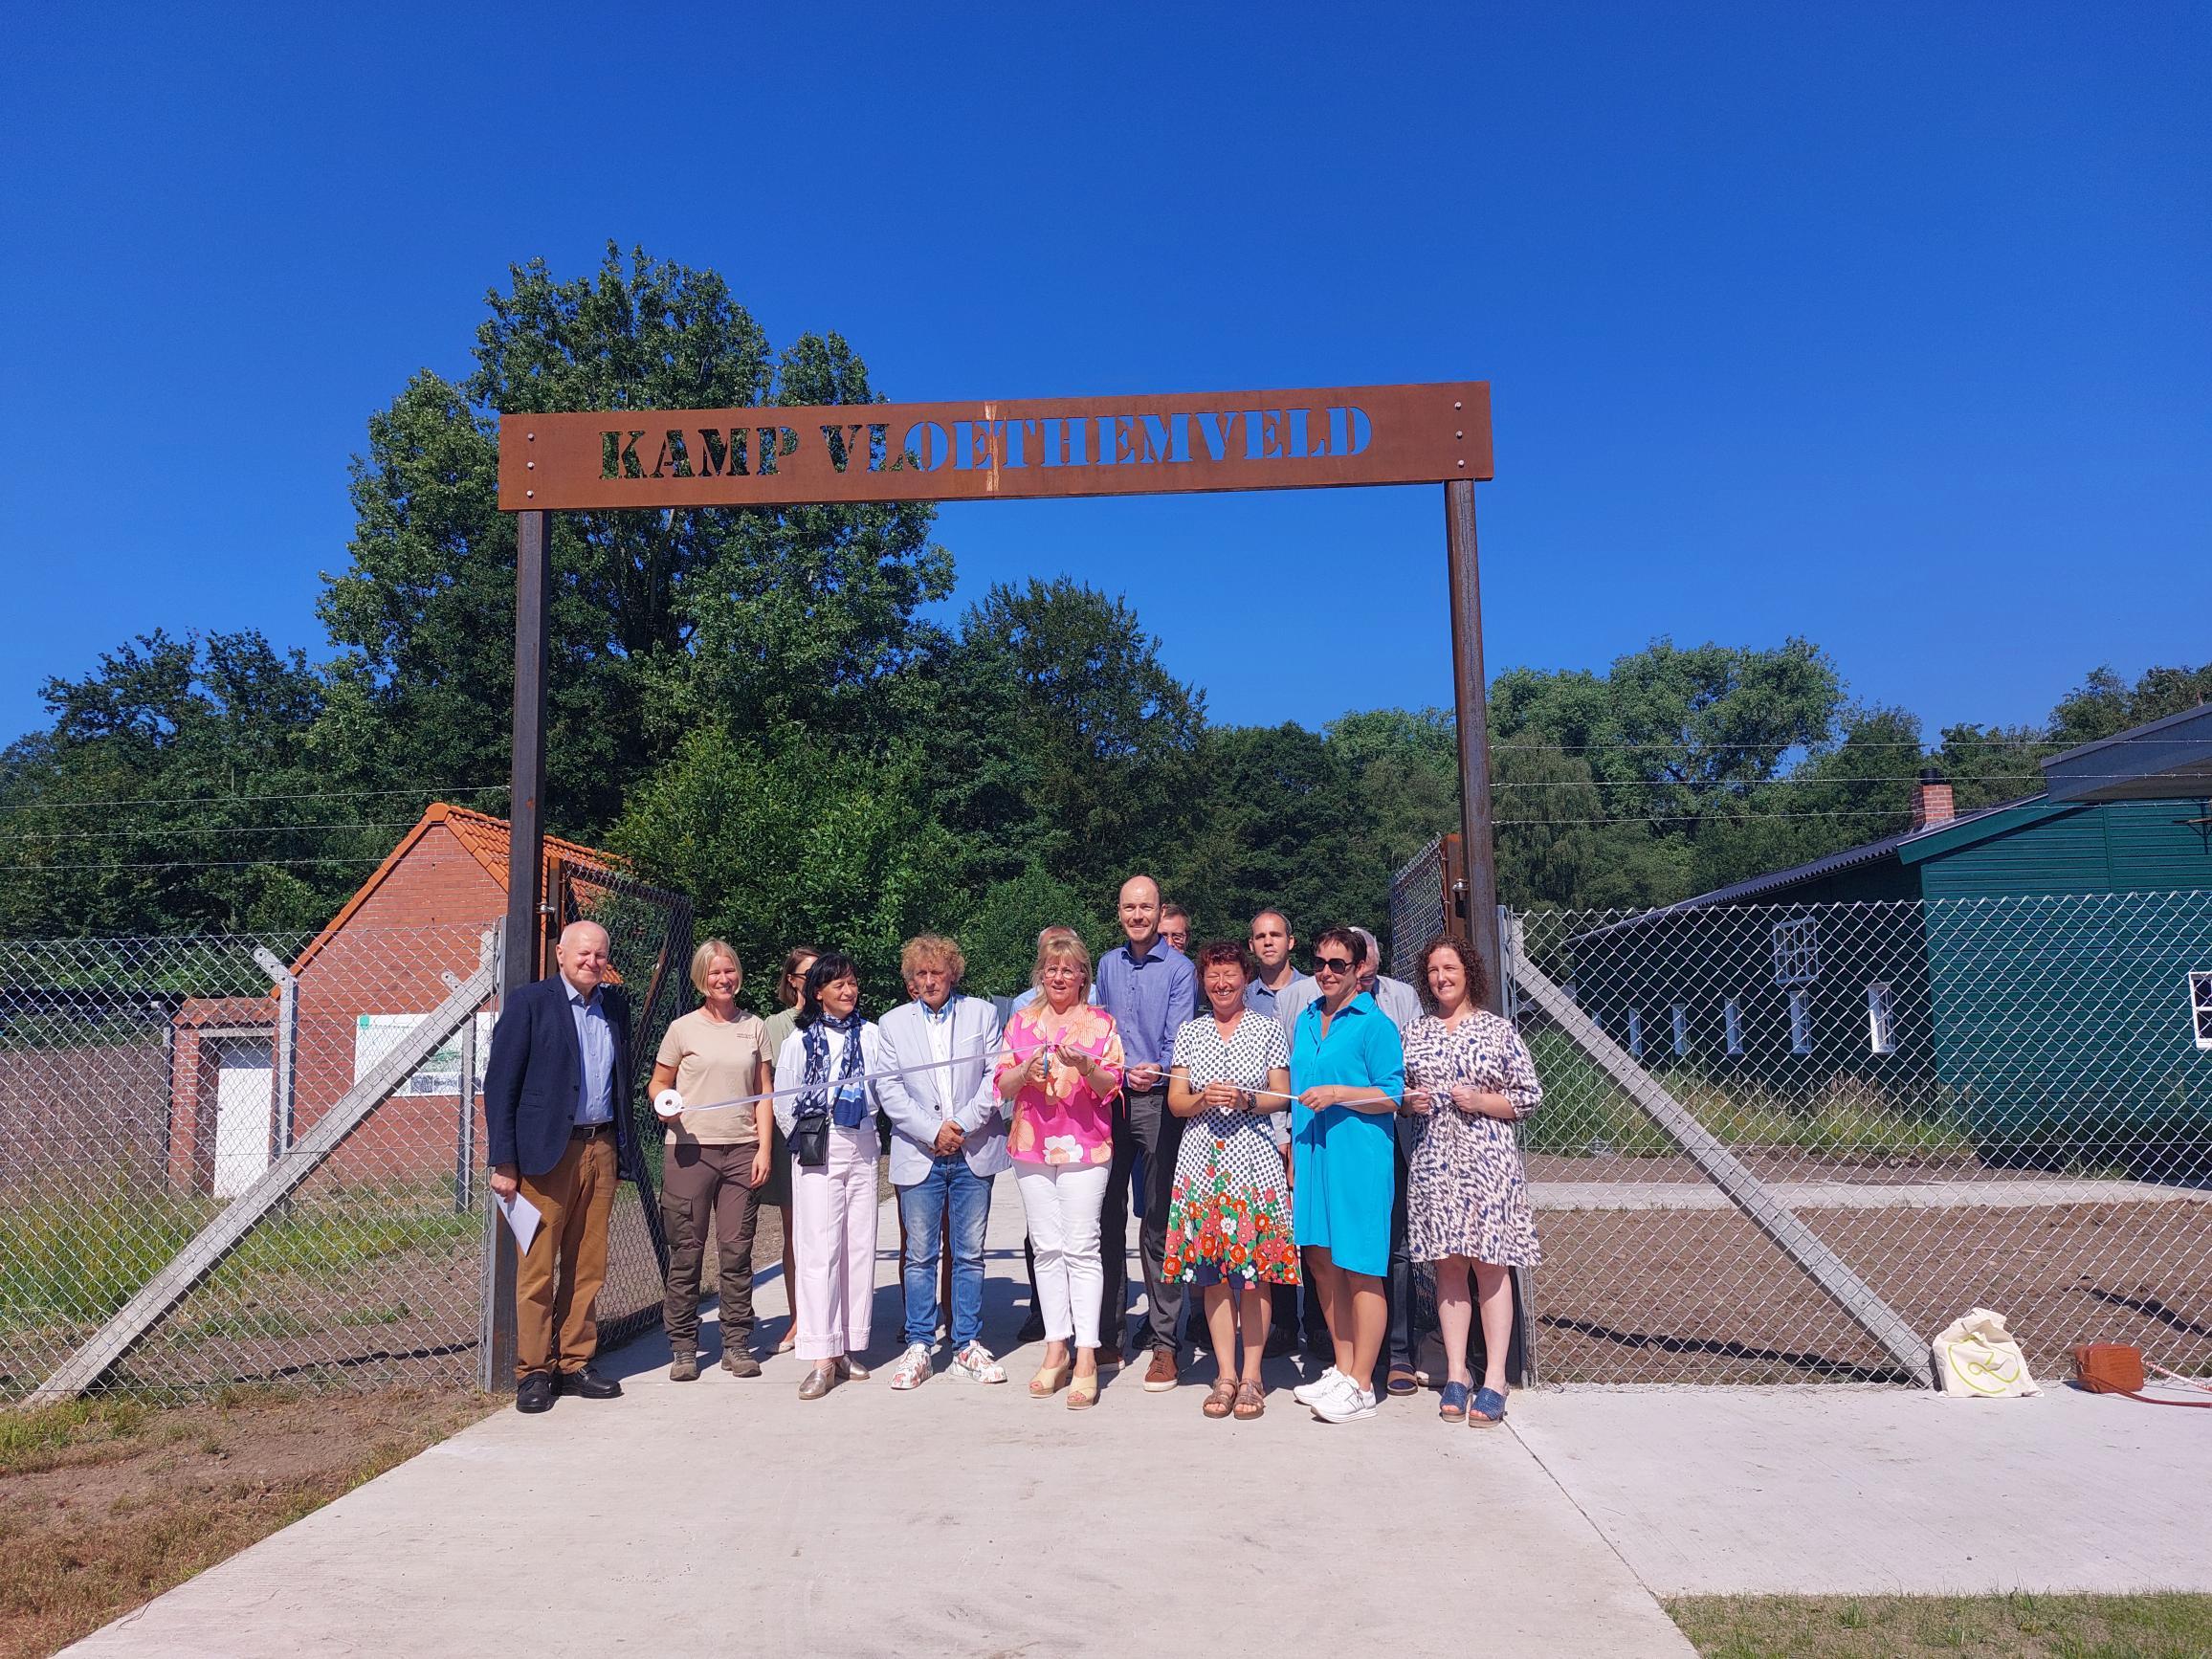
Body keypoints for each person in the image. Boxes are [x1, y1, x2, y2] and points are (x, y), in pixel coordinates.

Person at [483, 920, 633, 1413]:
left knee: (588, 1265)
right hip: (544, 1155)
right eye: (583, 953)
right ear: (561, 954)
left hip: (601, 1147)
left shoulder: (614, 1006)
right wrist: (504, 1160)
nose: (592, 961)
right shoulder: (530, 1004)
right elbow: (501, 1085)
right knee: (538, 1267)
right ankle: (533, 1371)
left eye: (600, 954)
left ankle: (576, 1362)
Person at [1404, 937, 1542, 1425]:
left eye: (1451, 968)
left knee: (1490, 1267)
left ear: (1469, 972)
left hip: (1488, 1165)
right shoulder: (1414, 1032)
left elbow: (1528, 1098)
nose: (1442, 977)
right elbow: (1399, 1092)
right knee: (1448, 1267)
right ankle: (1458, 1374)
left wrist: (1484, 1103)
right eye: (1434, 970)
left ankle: (1496, 1378)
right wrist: (1408, 1102)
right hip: (1435, 1162)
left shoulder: (1498, 1031)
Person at [1163, 942, 1295, 1420]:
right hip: (1201, 1162)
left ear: (1245, 979)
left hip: (1253, 1162)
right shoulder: (1191, 1032)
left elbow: (1282, 1095)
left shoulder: (1267, 1029)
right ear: (1203, 981)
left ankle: (1253, 1376)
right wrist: (1202, 1099)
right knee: (1214, 1276)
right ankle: (1224, 1373)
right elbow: (1177, 1102)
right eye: (1213, 976)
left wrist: (1244, 1100)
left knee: (1255, 1273)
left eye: (1231, 975)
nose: (1221, 984)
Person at [996, 930, 1125, 1410]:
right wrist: (1023, 1073)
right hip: (1030, 1146)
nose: (1058, 976)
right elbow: (1002, 1085)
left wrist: (1085, 1067)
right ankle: (1056, 1348)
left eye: (1068, 969)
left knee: (1082, 1247)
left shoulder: (1100, 1023)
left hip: (1086, 1147)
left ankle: (1088, 1355)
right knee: (1046, 1247)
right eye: (1051, 969)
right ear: (1040, 974)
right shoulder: (1021, 1022)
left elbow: (1112, 1084)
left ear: (1083, 977)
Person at [876, 934, 1009, 1390]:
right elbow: (889, 1089)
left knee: (970, 1255)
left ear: (953, 973)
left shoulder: (983, 1014)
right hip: (919, 1153)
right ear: (910, 981)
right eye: (920, 974)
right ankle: (918, 1345)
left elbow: (996, 1076)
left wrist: (962, 1126)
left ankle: (966, 1344)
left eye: (937, 972)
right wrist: (932, 1131)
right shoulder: (892, 1024)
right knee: (919, 1255)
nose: (929, 980)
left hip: (973, 1149)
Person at [1287, 925, 1405, 1425]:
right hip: (1312, 1154)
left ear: (1361, 969)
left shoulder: (1374, 1025)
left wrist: (1338, 1093)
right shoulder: (1308, 1020)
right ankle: (1341, 1365)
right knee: (1321, 1262)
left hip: (1357, 1158)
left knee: (1360, 1267)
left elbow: (1392, 1095)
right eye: (1320, 963)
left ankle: (1362, 1382)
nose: (1327, 972)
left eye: (1339, 964)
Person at [651, 940, 772, 1382]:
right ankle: (684, 1347)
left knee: (737, 1253)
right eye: (716, 972)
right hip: (689, 1151)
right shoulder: (682, 1029)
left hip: (741, 1152)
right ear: (702, 978)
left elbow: (764, 1093)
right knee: (686, 1252)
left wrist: (764, 1149)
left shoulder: (753, 1027)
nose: (725, 979)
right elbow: (658, 1083)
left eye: (730, 971)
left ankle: (737, 1343)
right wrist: (664, 1105)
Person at [1095, 874, 1197, 1389]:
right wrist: (1123, 1066)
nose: (1137, 915)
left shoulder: (1181, 969)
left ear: (1159, 913)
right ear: (1120, 912)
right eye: (1129, 907)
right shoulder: (1108, 965)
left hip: (1158, 1099)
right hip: (1111, 1099)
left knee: (1158, 1220)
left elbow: (1179, 1035)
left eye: (1146, 907)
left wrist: (1149, 1067)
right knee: (1106, 1217)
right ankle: (1108, 1332)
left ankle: (1163, 1343)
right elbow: (1102, 1029)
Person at [772, 953, 885, 1400]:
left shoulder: (873, 1036)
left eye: (853, 983)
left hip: (862, 1143)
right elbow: (783, 1101)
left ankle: (848, 1346)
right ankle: (820, 1354)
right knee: (818, 1248)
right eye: (837, 984)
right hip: (818, 1147)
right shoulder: (798, 1043)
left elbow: (886, 1089)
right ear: (817, 992)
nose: (848, 991)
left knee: (858, 1246)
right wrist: (806, 1140)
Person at [1351, 924, 1430, 1398]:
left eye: (1364, 967)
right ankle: (1349, 1347)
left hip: (1395, 1136)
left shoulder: (1401, 999)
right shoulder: (1314, 1002)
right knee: (1347, 1246)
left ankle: (1398, 1352)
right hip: (1346, 1139)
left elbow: (1414, 1062)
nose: (1357, 974)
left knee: (1397, 1246)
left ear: (1375, 964)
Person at [1246, 910, 1315, 1358]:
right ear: (1251, 945)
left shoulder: (1315, 990)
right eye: (1260, 936)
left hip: (1307, 1121)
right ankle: (1284, 1324)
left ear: (1291, 941)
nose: (1268, 942)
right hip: (1261, 1126)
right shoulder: (1240, 996)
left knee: (1310, 1226)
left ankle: (1322, 1324)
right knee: (1273, 1229)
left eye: (1276, 935)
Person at [758, 946, 820, 1353]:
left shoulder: (838, 1020)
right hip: (790, 1135)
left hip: (833, 1134)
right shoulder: (775, 1025)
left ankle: (830, 1318)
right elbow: (769, 1087)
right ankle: (799, 1318)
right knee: (796, 1232)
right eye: (808, 974)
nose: (816, 980)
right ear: (792, 981)